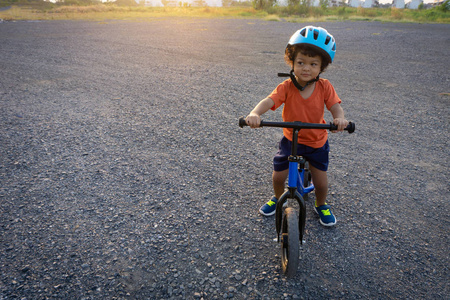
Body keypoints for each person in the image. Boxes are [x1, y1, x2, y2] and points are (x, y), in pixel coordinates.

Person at [245, 26, 348, 227]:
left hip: (317, 141)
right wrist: (255, 113)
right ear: (292, 62)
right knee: (278, 175)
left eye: (313, 64)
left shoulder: (324, 86)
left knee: (320, 181)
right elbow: (269, 101)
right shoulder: (287, 86)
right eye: (300, 62)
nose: (306, 68)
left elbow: (335, 107)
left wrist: (339, 120)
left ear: (322, 67)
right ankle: (277, 197)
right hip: (291, 139)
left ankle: (321, 204)